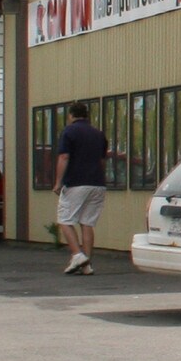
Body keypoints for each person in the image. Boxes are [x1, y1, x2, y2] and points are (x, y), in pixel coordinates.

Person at [53, 102, 108, 275]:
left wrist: (58, 182)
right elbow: (102, 161)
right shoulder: (99, 134)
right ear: (86, 115)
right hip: (97, 183)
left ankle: (77, 255)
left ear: (71, 115)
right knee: (87, 223)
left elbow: (64, 157)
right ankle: (87, 265)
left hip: (76, 182)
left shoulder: (69, 132)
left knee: (65, 220)